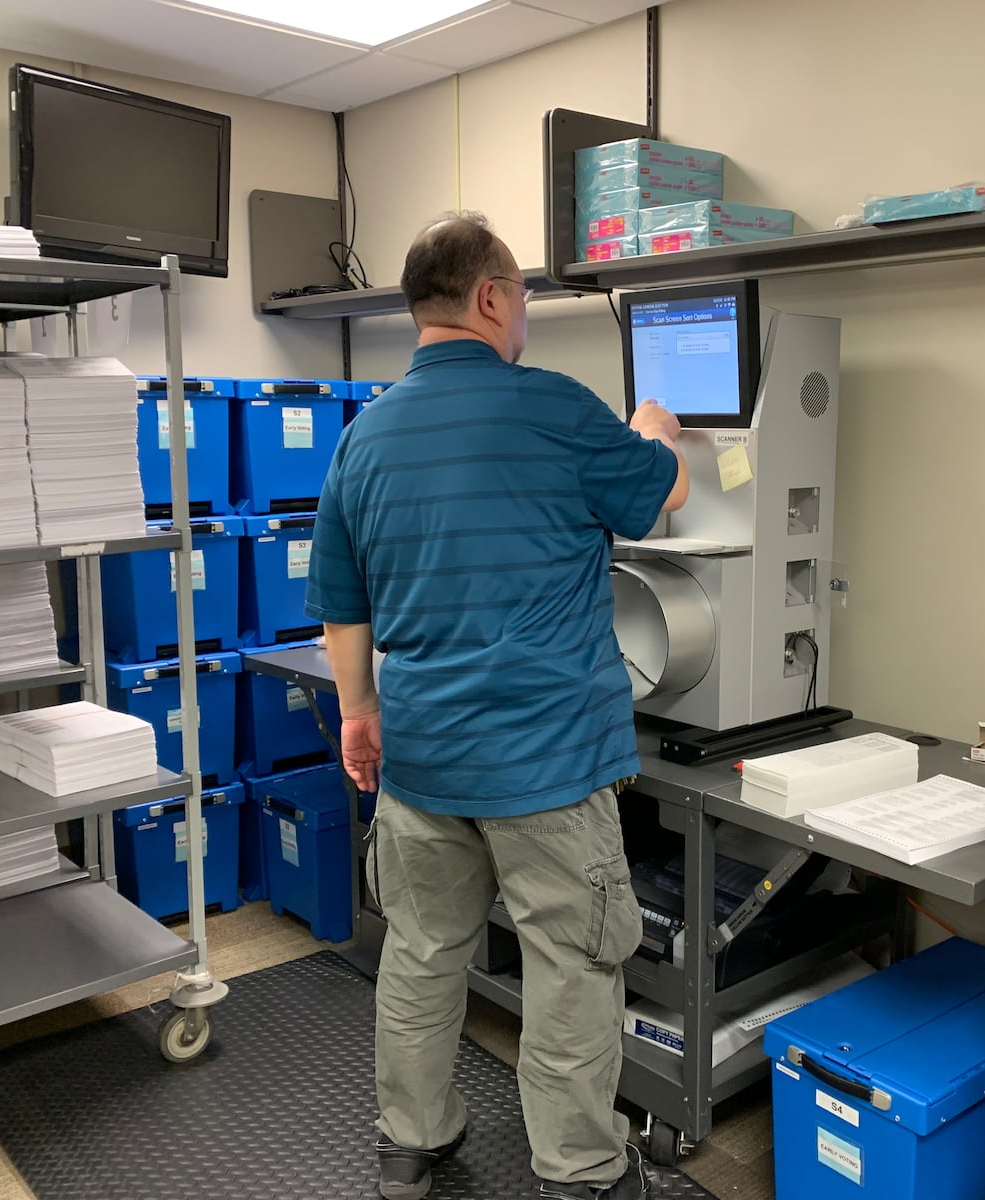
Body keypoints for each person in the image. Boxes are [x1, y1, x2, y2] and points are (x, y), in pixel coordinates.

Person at [304, 211, 690, 1200]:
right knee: (570, 964)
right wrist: (654, 429)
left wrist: (358, 714)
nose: (521, 311)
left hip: (423, 757)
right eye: (519, 293)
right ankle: (580, 1171)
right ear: (488, 298)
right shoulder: (555, 409)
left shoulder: (363, 438)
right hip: (549, 763)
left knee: (425, 953)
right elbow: (665, 495)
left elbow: (342, 608)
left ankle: (411, 1144)